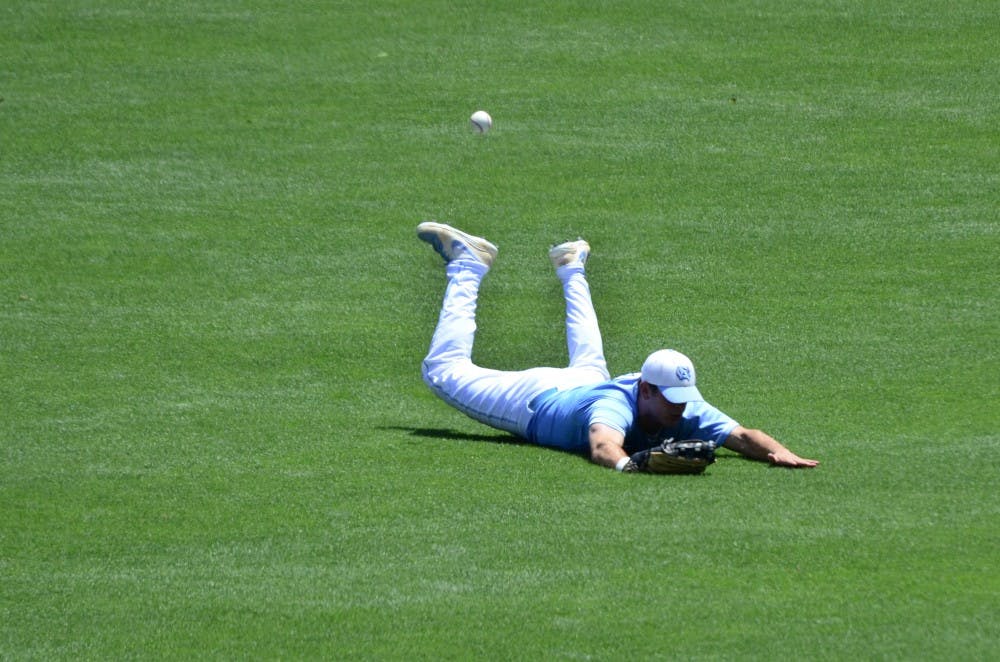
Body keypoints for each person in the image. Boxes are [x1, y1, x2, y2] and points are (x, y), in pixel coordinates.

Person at [416, 221, 819, 472]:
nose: (680, 407)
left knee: (591, 361)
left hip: (583, 382)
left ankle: (572, 264)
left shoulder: (682, 404)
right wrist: (635, 464)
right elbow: (602, 446)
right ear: (645, 389)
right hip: (531, 400)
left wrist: (779, 453)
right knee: (443, 370)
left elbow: (744, 435)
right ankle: (468, 265)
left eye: (683, 398)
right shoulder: (613, 407)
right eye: (671, 399)